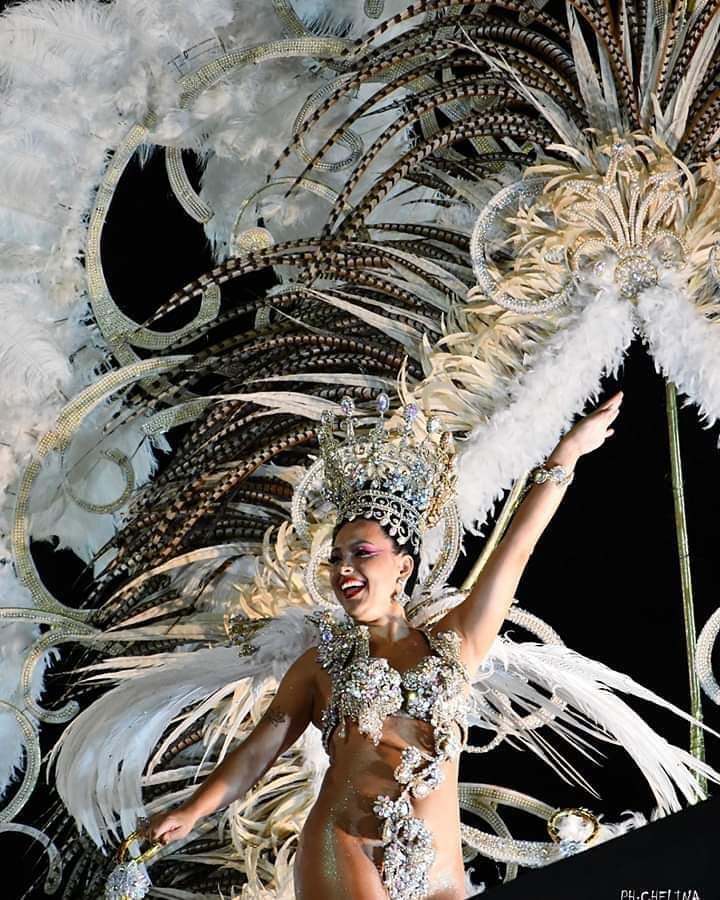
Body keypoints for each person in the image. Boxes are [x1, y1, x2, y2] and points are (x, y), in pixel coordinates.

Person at [147, 390, 624, 900]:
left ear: (403, 567)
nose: (344, 568)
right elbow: (260, 748)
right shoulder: (318, 666)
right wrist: (193, 810)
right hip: (343, 845)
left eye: (362, 552)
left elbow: (517, 549)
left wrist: (565, 456)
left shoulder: (456, 644)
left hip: (439, 873)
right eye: (336, 558)